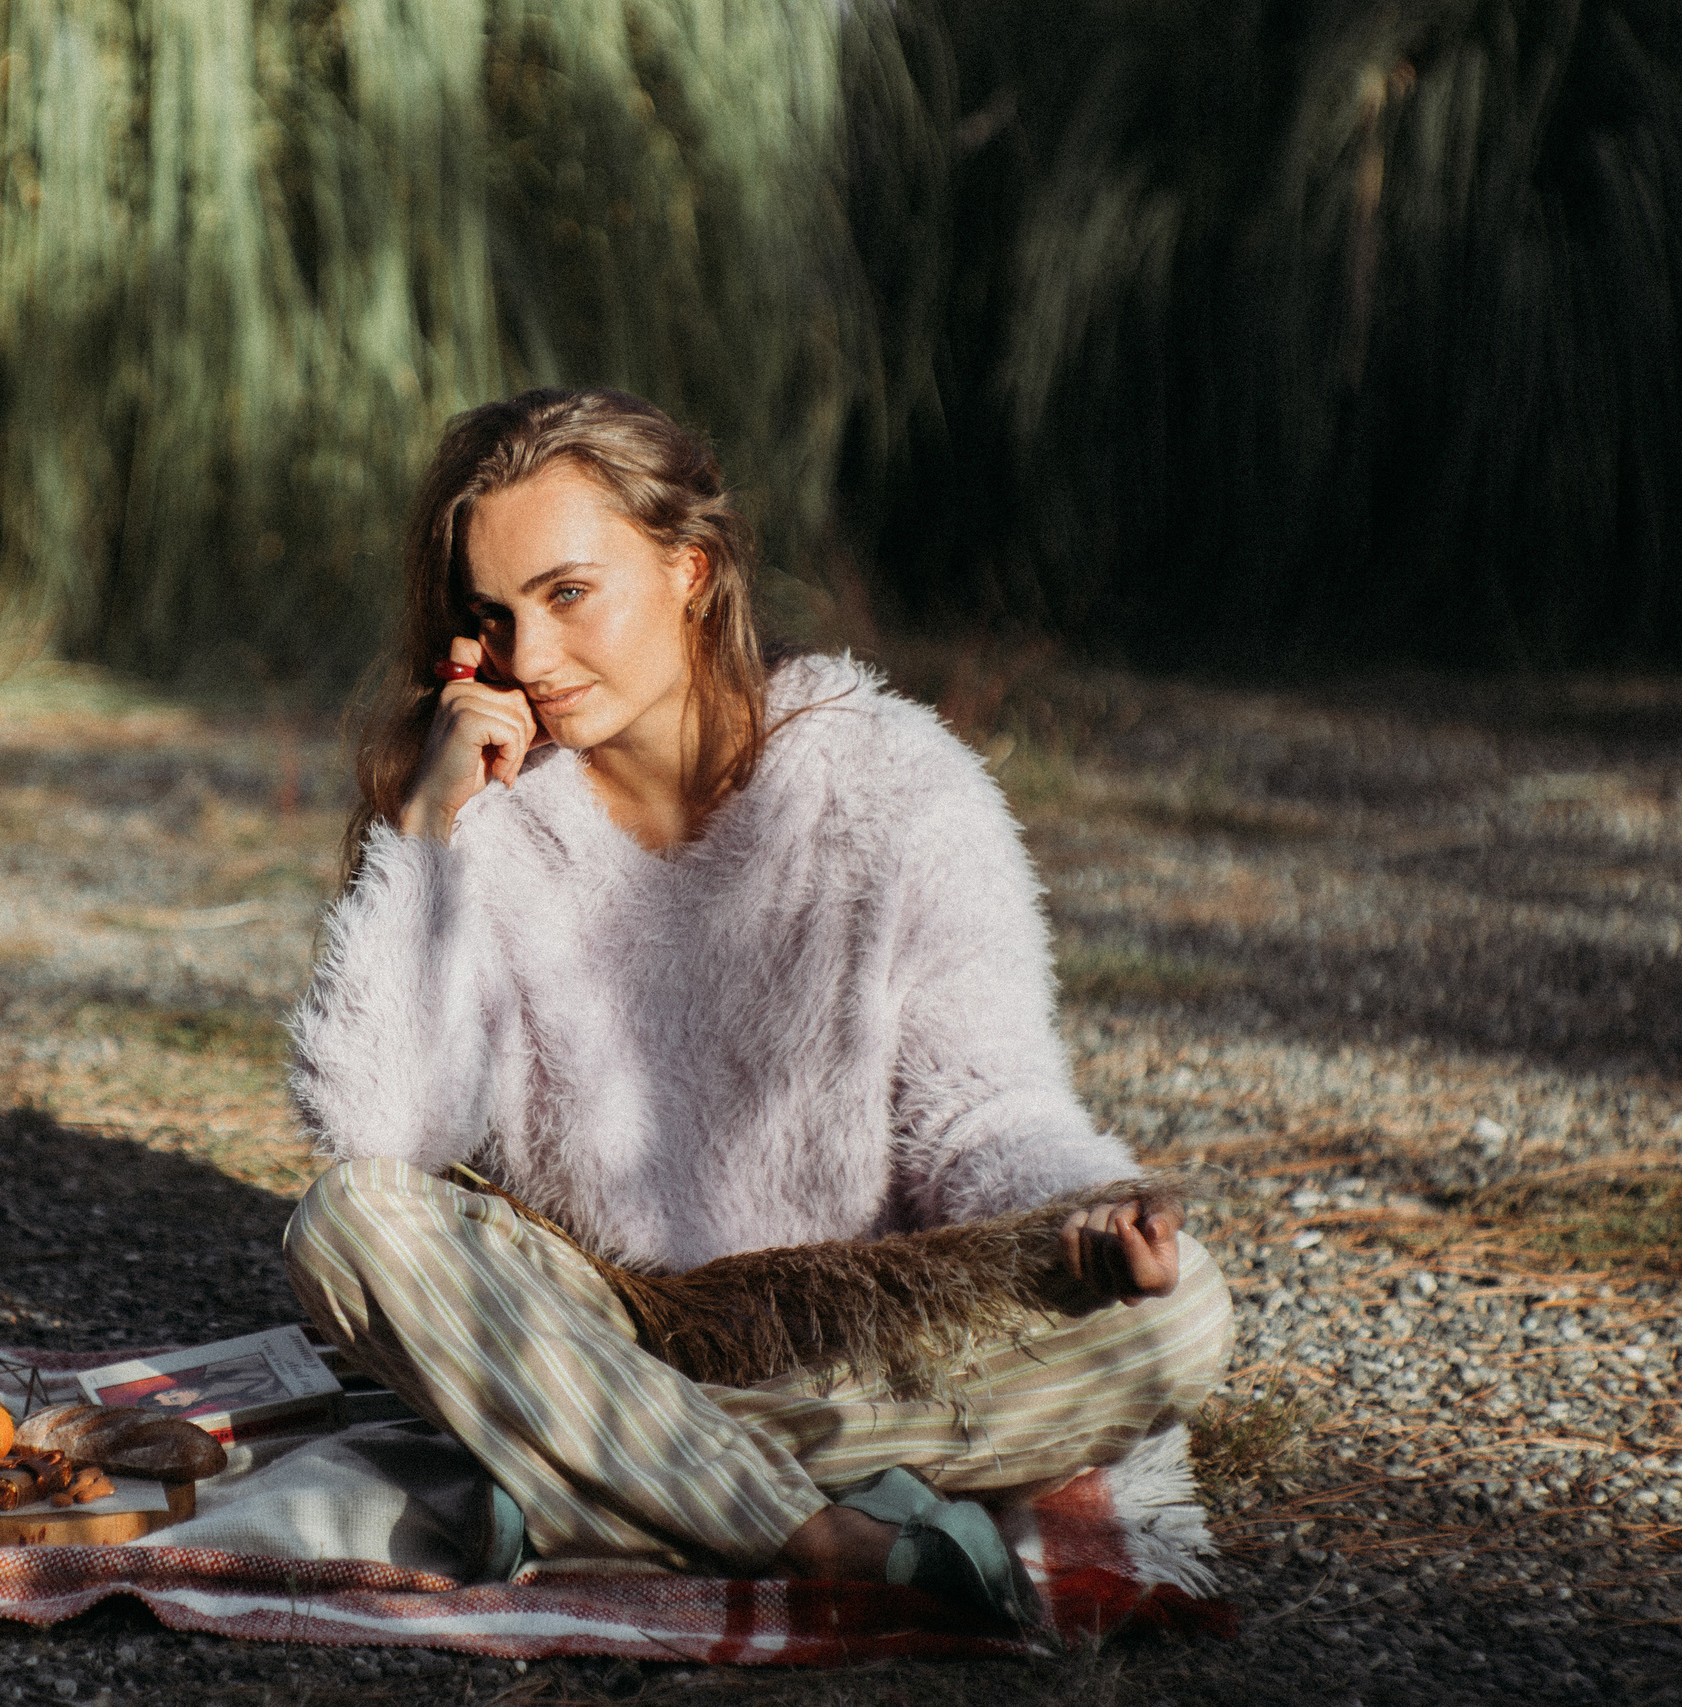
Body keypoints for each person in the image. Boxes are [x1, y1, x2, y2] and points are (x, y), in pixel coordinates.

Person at [281, 387, 1232, 1619]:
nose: (531, 660)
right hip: (607, 1319)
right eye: (493, 615)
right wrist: (427, 831)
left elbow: (981, 1110)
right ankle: (817, 1532)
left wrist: (1080, 1217)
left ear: (689, 567)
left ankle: (599, 1482)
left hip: (865, 1333)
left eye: (569, 594)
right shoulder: (485, 817)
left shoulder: (895, 785)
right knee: (346, 1225)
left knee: (1179, 1314)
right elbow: (376, 1132)